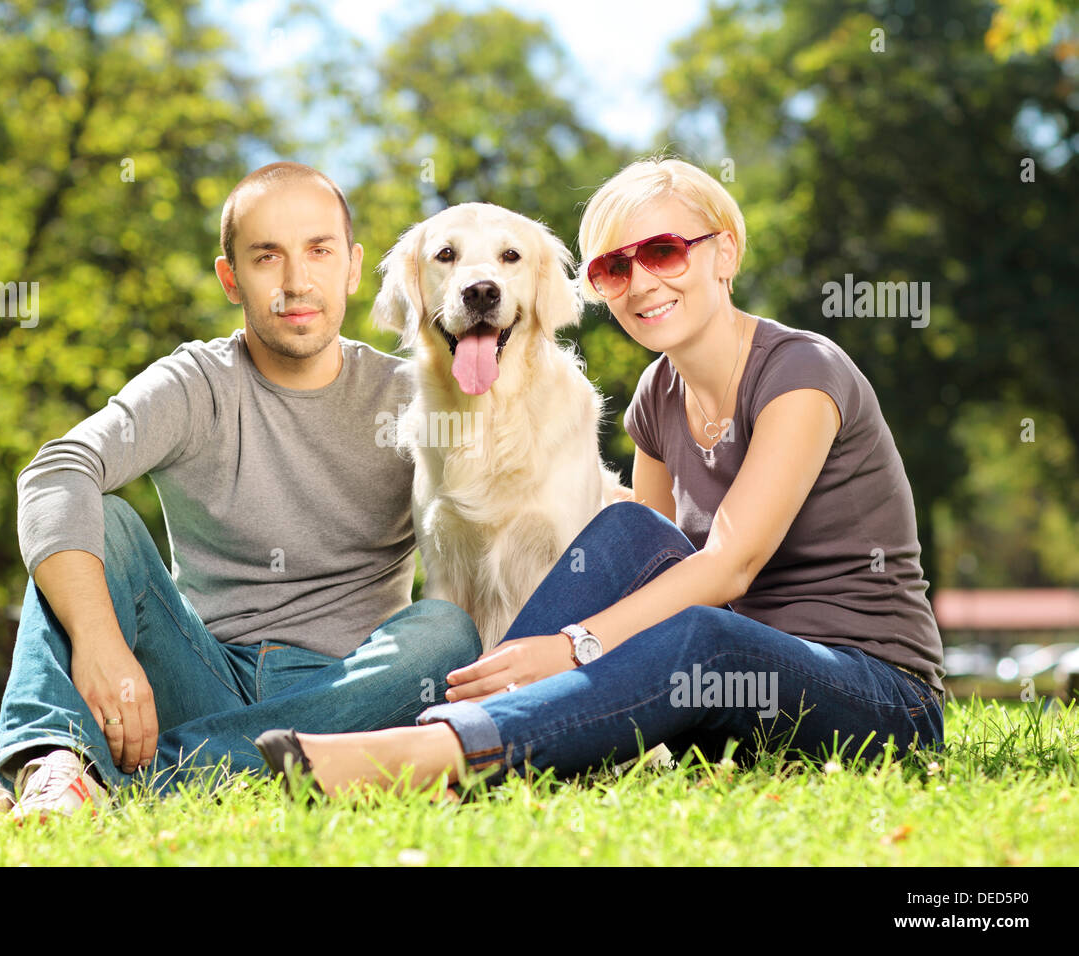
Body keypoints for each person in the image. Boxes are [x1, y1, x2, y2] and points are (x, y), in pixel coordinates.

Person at [254, 157, 946, 795]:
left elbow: (730, 567)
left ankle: (427, 757)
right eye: (615, 268)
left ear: (725, 253)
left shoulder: (803, 372)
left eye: (665, 251)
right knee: (623, 529)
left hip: (874, 694)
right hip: (726, 699)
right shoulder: (658, 394)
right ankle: (463, 719)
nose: (643, 282)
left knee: (704, 633)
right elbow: (650, 564)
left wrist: (572, 647)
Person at [0, 161, 480, 821]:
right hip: (205, 675)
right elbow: (56, 470)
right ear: (230, 277)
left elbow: (498, 520)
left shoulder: (414, 396)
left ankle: (101, 777)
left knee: (445, 630)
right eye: (268, 257)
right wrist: (99, 643)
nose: (297, 282)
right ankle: (57, 758)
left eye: (318, 251)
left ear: (352, 267)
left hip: (353, 694)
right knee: (98, 518)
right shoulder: (197, 382)